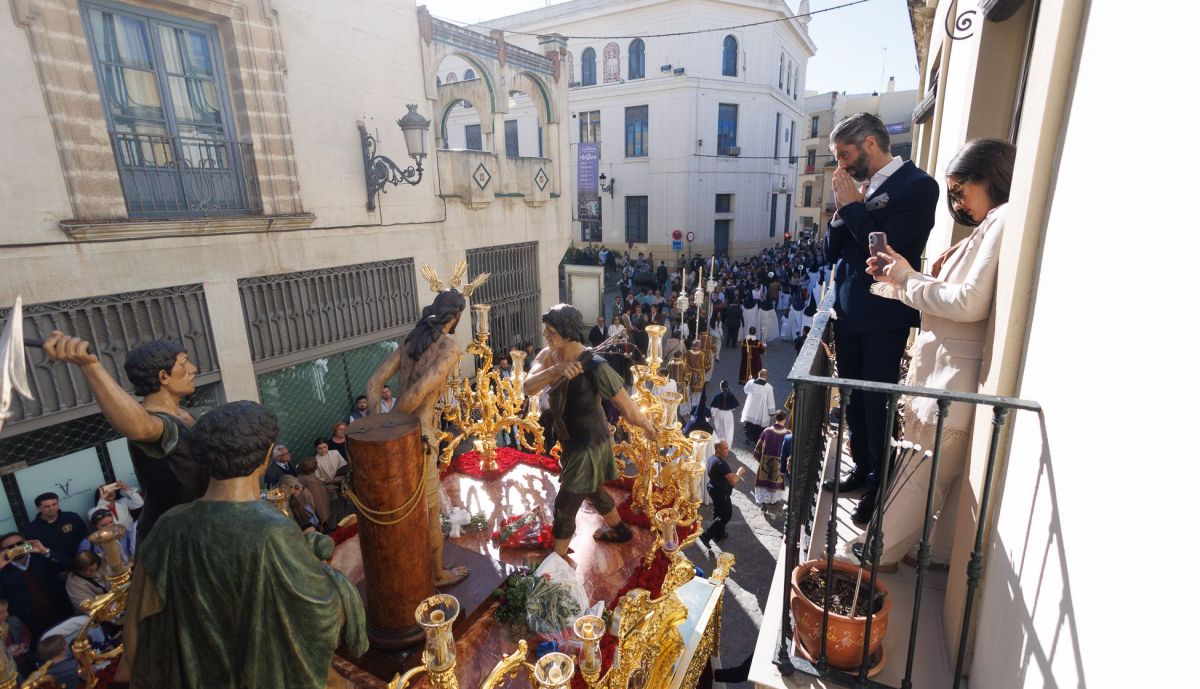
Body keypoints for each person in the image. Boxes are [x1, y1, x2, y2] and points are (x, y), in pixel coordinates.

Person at [843, 138, 1016, 572]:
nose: (956, 203)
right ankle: (924, 551)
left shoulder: (1002, 221)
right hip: (942, 376)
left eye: (960, 191)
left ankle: (877, 556)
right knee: (921, 478)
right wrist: (902, 277)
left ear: (990, 178)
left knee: (919, 480)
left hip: (952, 382)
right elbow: (946, 297)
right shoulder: (987, 226)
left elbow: (969, 302)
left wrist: (905, 277)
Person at [128, 401, 367, 688]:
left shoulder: (167, 526)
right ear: (267, 456)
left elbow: (140, 627)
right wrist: (329, 573)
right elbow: (321, 614)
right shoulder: (272, 530)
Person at [823, 112, 937, 526]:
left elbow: (887, 251)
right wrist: (840, 213)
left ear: (870, 144)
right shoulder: (858, 189)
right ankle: (861, 469)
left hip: (884, 314)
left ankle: (879, 481)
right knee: (853, 401)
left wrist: (854, 207)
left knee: (877, 404)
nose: (841, 165)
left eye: (845, 154)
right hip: (849, 312)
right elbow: (831, 253)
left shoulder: (919, 187)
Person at [367, 275, 479, 588]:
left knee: (399, 508)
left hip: (393, 438)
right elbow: (415, 397)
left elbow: (374, 384)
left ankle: (402, 570)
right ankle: (438, 573)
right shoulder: (448, 348)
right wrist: (392, 430)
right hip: (419, 439)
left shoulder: (410, 339)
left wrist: (379, 429)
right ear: (455, 317)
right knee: (429, 511)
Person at [524, 304, 657, 568]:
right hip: (571, 442)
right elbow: (527, 387)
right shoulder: (549, 356)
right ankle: (620, 531)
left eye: (551, 331)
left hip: (589, 444)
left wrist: (650, 427)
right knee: (594, 491)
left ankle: (557, 564)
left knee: (565, 504)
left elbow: (628, 410)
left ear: (566, 332)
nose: (545, 335)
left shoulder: (596, 366)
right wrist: (555, 371)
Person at [40, 336, 207, 542]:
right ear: (164, 376)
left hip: (204, 521)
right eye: (184, 363)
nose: (193, 369)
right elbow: (140, 428)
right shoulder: (157, 423)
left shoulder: (188, 414)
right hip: (177, 535)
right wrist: (91, 365)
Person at [0, 533, 71, 640]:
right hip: (30, 623)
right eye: (10, 547)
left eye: (19, 544)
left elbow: (67, 565)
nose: (16, 548)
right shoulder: (3, 571)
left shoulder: (40, 557)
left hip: (59, 611)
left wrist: (45, 551)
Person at [699, 441, 746, 547]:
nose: (727, 450)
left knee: (719, 510)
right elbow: (733, 480)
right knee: (725, 515)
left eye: (727, 447)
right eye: (725, 448)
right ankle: (706, 535)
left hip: (713, 487)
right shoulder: (721, 463)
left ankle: (719, 534)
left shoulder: (712, 458)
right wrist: (739, 473)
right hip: (720, 491)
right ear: (718, 449)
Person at [22, 493, 88, 563]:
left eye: (54, 504)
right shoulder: (30, 529)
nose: (52, 508)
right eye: (47, 506)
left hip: (82, 561)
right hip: (54, 568)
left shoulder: (72, 517)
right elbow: (32, 554)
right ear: (38, 509)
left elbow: (86, 537)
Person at [753, 410, 791, 505]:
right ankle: (773, 501)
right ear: (785, 419)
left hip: (766, 462)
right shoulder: (788, 433)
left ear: (775, 418)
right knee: (776, 481)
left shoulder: (767, 431)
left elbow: (758, 447)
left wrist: (760, 459)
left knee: (764, 481)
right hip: (779, 463)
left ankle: (763, 503)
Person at [295, 458, 332, 532]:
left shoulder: (302, 476)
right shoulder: (310, 482)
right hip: (319, 511)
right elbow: (317, 500)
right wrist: (323, 518)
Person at [741, 369, 775, 444]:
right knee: (759, 428)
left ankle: (749, 438)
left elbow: (745, 391)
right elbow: (770, 401)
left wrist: (749, 381)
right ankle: (757, 441)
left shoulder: (751, 382)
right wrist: (771, 413)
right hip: (761, 412)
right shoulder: (769, 387)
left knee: (749, 425)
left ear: (758, 374)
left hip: (750, 410)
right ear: (766, 376)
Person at [710, 381, 739, 448]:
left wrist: (713, 415)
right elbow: (734, 407)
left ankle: (721, 445)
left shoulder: (717, 396)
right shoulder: (731, 395)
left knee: (720, 429)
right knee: (729, 430)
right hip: (728, 414)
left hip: (719, 414)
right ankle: (727, 445)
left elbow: (714, 408)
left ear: (721, 387)